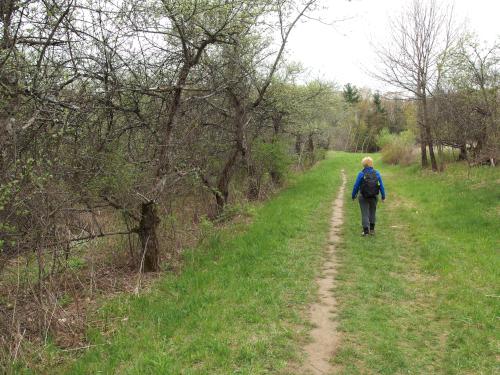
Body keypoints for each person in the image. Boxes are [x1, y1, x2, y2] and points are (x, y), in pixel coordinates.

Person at [351, 156, 386, 236]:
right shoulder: (376, 173)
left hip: (363, 197)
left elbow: (356, 186)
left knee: (365, 213)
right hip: (374, 196)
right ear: (371, 164)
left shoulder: (361, 174)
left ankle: (366, 231)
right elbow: (381, 186)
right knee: (372, 212)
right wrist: (383, 196)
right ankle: (372, 230)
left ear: (363, 164)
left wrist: (353, 195)